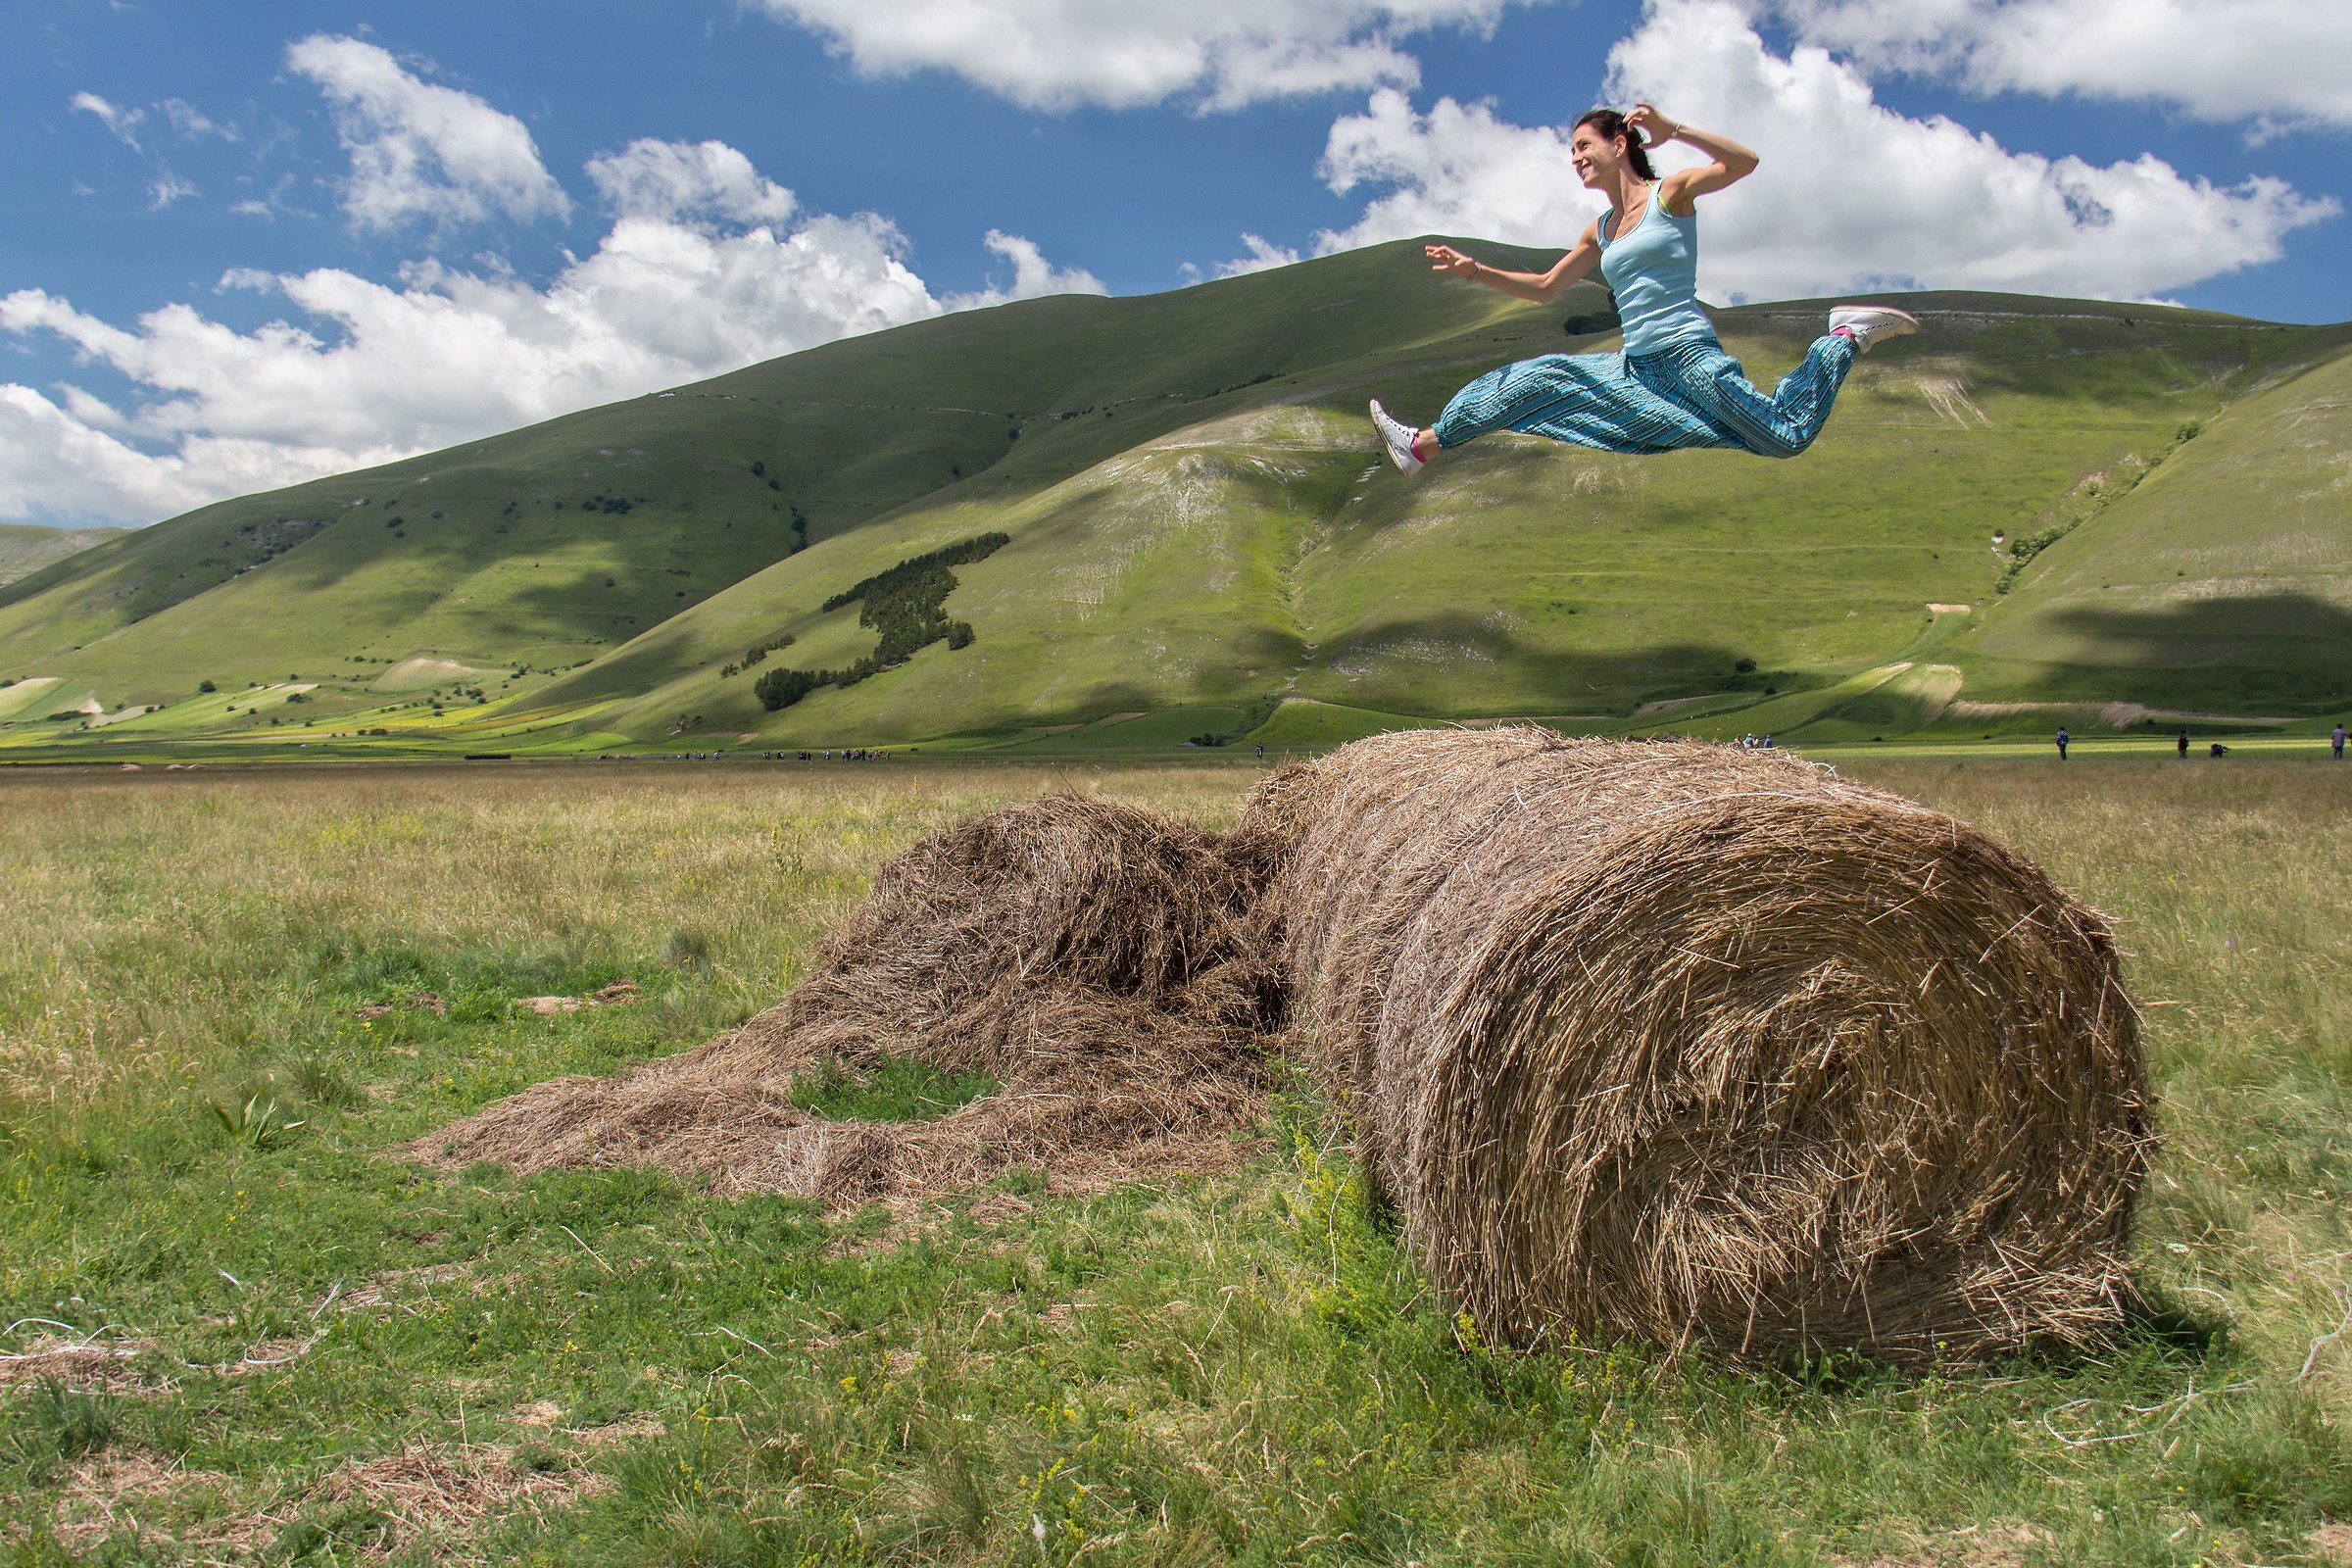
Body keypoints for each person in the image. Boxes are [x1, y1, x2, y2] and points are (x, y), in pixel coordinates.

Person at [1368, 103, 1918, 474]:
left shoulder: (1669, 196)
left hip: (1689, 360)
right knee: (1531, 384)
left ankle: (1843, 336)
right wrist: (1474, 271)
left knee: (1784, 438)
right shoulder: (1600, 229)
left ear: (1621, 141)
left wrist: (1674, 130)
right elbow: (1544, 288)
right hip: (1636, 369)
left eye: (1584, 145)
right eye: (1572, 151)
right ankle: (1421, 445)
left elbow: (1743, 163)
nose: (1576, 158)